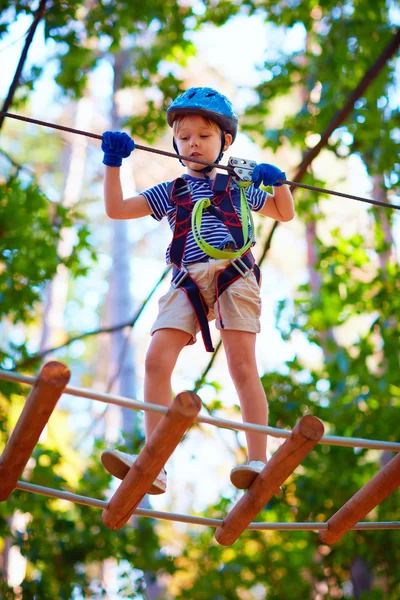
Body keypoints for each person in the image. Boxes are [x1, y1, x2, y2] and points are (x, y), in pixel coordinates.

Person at [100, 87, 294, 495]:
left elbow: (283, 213)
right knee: (156, 360)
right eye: (184, 137)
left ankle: (258, 457)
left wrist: (278, 184)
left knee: (242, 365)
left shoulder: (240, 184)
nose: (193, 143)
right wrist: (114, 162)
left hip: (233, 274)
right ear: (175, 143)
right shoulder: (169, 191)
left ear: (224, 142)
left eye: (203, 136)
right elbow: (117, 209)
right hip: (186, 280)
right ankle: (156, 463)